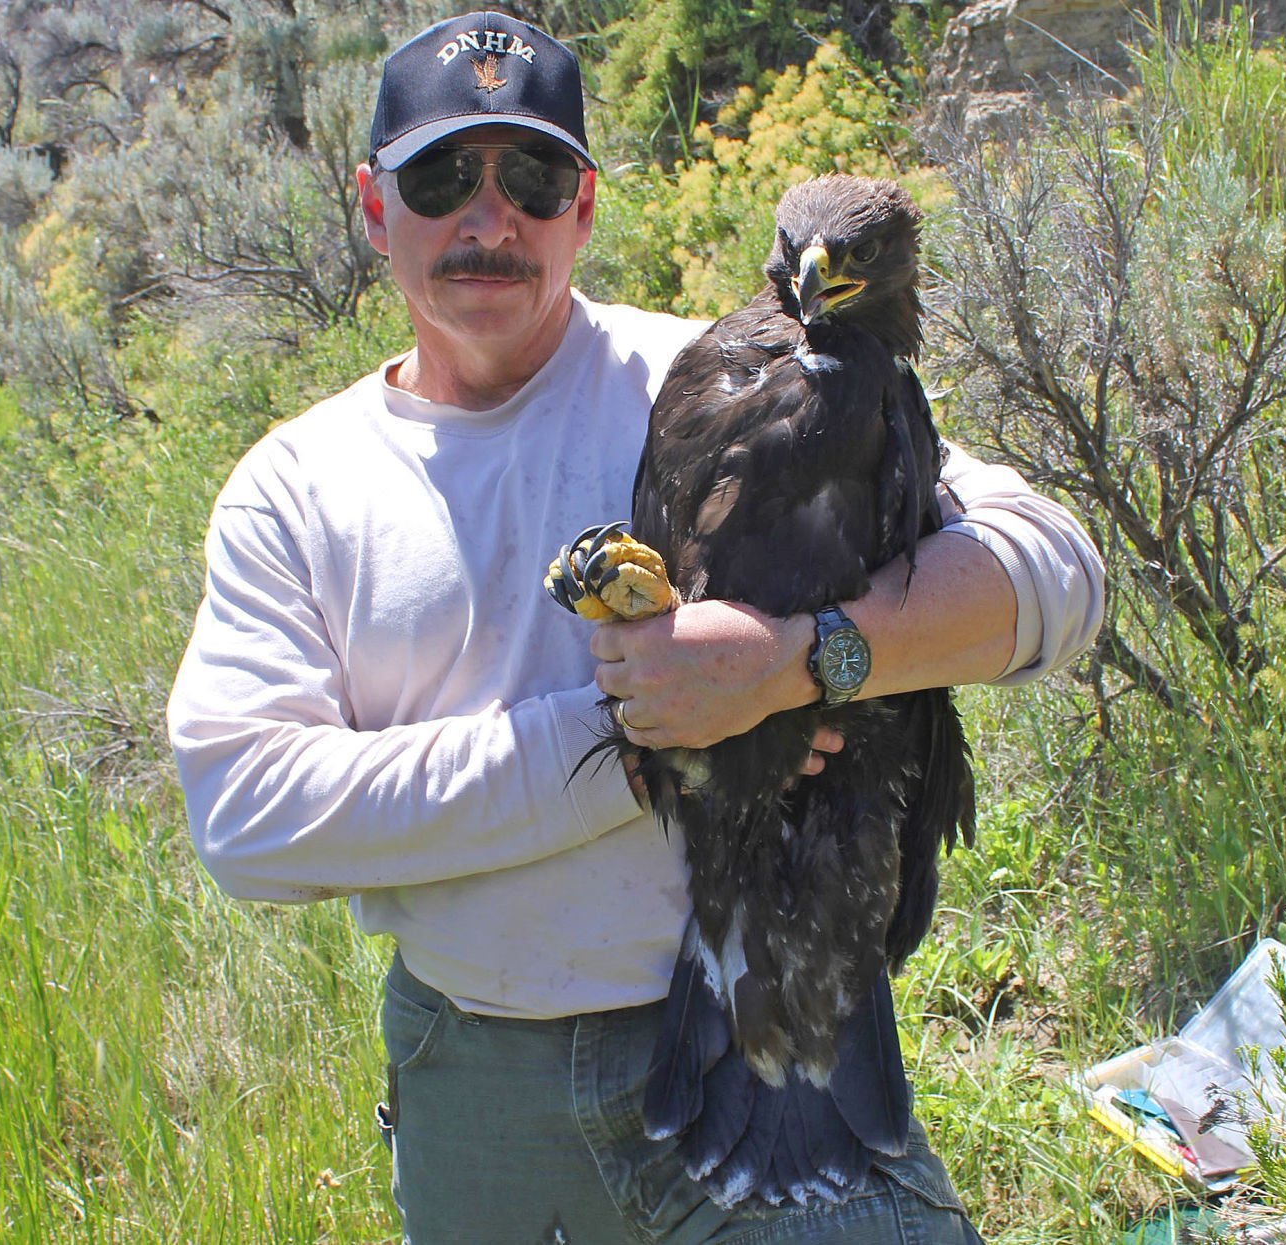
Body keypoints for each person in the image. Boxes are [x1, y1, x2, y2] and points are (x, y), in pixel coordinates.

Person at [166, 10, 1104, 1244]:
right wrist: (630, 738)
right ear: (373, 203)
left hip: (771, 1012)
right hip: (474, 1082)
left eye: (533, 178)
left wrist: (806, 660)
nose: (488, 220)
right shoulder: (297, 488)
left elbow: (1054, 577)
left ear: (585, 205)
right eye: (442, 176)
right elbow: (244, 819)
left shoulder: (733, 376)